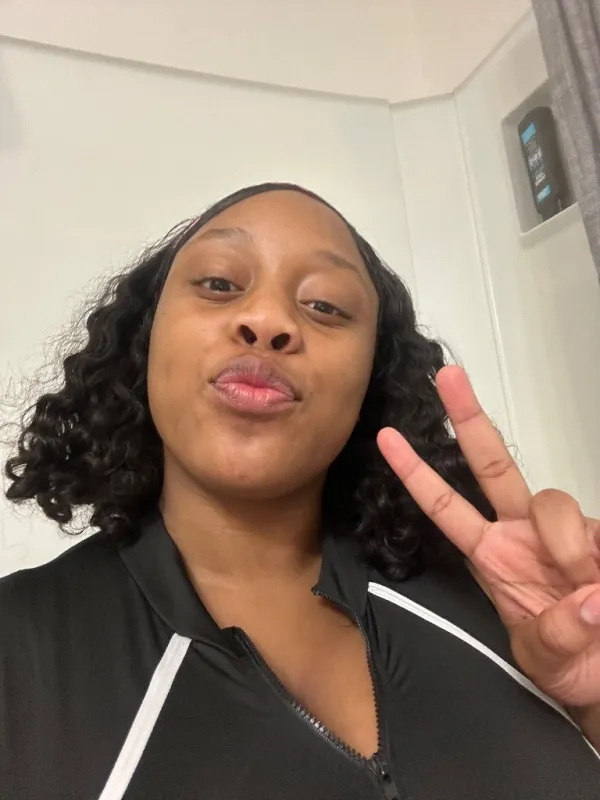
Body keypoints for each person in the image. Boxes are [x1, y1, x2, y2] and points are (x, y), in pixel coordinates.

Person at [0, 182, 599, 800]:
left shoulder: (497, 596)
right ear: (145, 338)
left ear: (371, 376)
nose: (267, 321)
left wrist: (591, 700)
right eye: (219, 283)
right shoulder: (18, 656)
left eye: (325, 305)